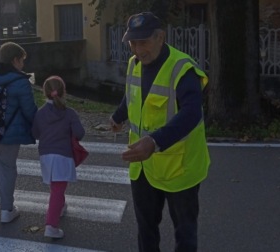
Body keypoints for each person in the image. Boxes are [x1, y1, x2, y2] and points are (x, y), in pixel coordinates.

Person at [109, 12, 210, 252]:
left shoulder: (182, 69)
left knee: (184, 234)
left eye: (142, 42)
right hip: (143, 167)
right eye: (132, 42)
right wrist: (118, 116)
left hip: (179, 168)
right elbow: (132, 95)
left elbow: (192, 113)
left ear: (160, 38)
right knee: (146, 230)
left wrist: (154, 141)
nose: (137, 49)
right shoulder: (134, 64)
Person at [0, 42, 37, 223]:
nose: (23, 65)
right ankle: (7, 209)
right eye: (22, 61)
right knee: (7, 168)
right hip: (8, 134)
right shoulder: (20, 82)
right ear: (15, 60)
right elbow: (30, 111)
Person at [32, 75, 85, 239]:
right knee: (57, 189)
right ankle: (51, 225)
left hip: (46, 155)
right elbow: (80, 134)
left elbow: (34, 133)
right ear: (64, 92)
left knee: (56, 186)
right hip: (63, 155)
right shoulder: (70, 113)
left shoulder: (40, 113)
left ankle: (60, 207)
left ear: (45, 93)